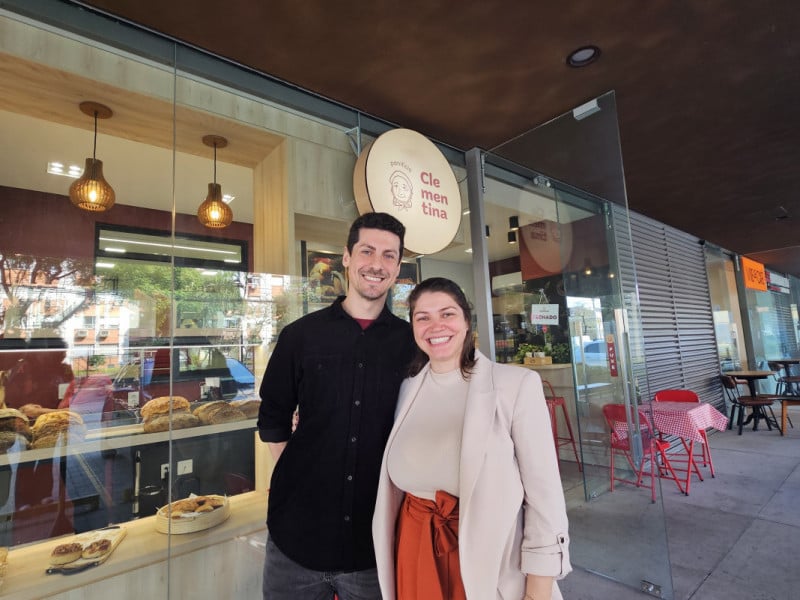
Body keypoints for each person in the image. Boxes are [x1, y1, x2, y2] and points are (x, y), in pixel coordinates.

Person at [373, 277, 571, 600]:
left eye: (447, 314)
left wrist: (538, 590)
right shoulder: (407, 389)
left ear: (466, 321)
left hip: (488, 565)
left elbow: (545, 498)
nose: (435, 326)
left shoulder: (515, 385)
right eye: (423, 317)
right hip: (412, 557)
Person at [258, 212, 416, 600]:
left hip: (373, 546)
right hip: (295, 540)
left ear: (397, 267)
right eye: (367, 251)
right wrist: (303, 472)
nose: (377, 264)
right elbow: (274, 417)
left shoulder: (412, 345)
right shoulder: (300, 336)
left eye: (389, 255)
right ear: (346, 257)